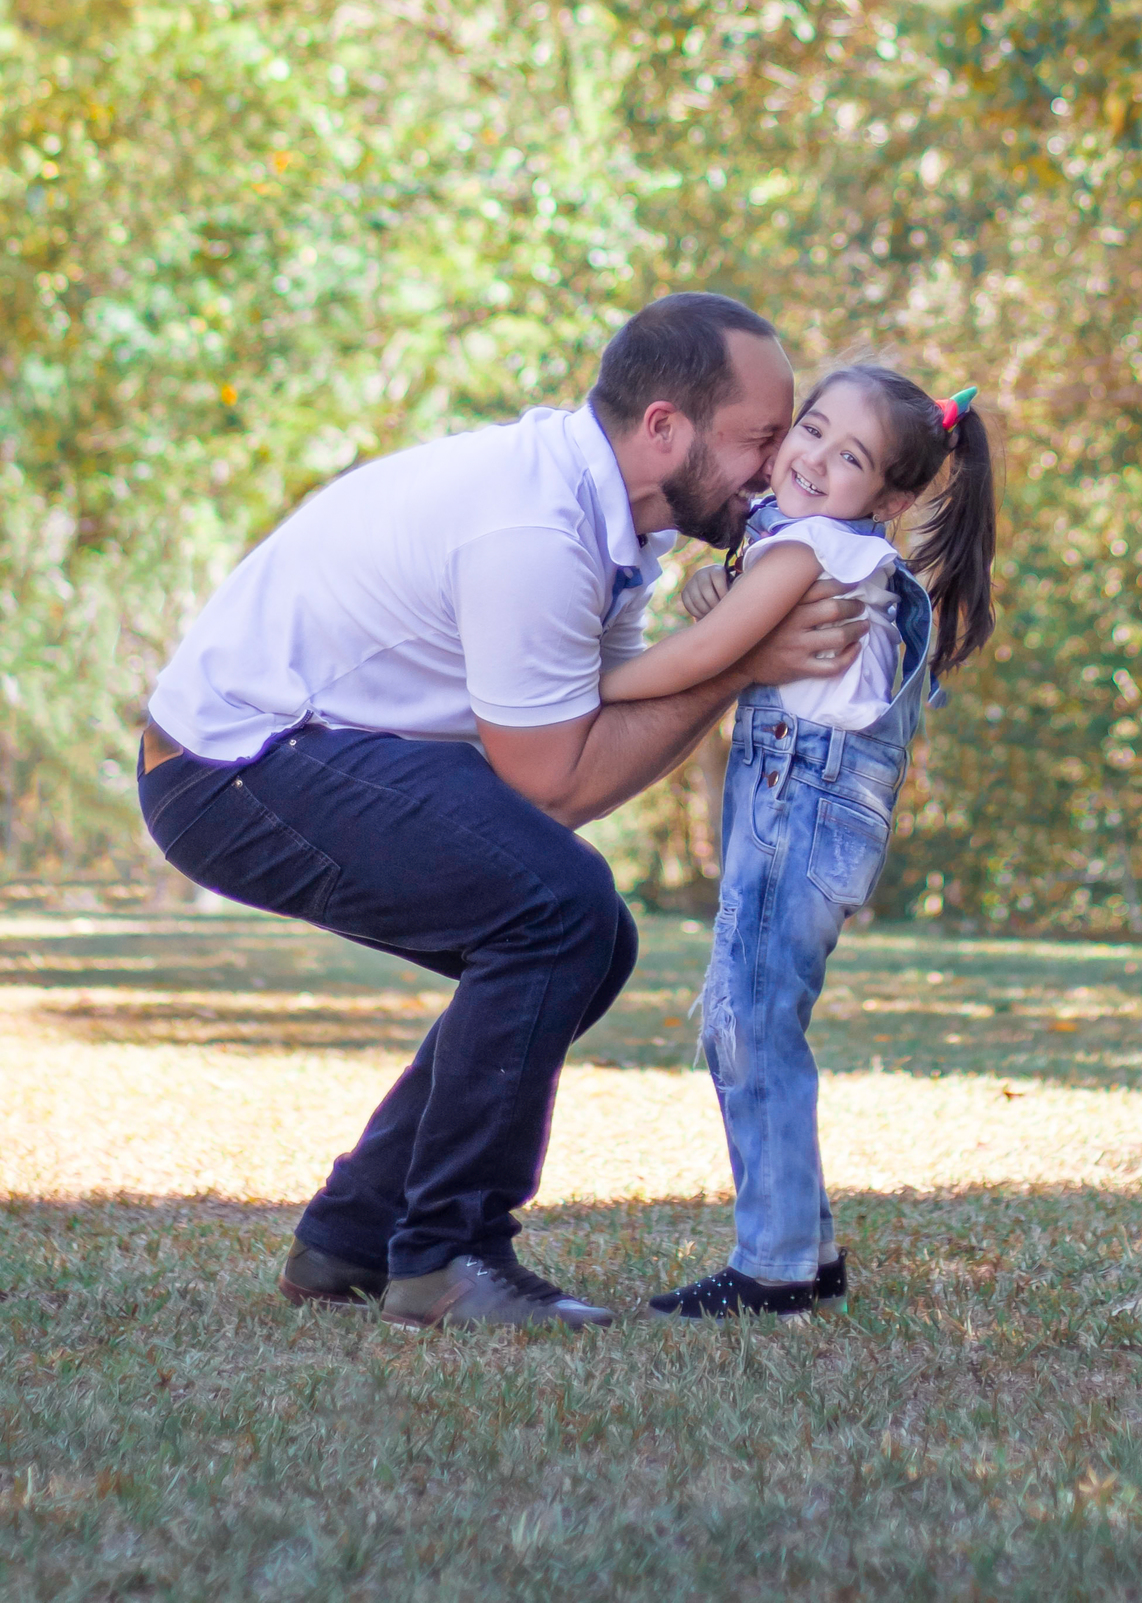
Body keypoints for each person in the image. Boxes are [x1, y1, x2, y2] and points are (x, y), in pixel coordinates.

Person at [137, 292, 872, 1332]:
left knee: (587, 933)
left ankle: (351, 1234)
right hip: (230, 761)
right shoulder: (536, 526)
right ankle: (444, 1258)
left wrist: (728, 659)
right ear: (664, 428)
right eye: (760, 439)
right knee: (558, 910)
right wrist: (745, 665)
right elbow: (555, 783)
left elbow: (599, 737)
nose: (775, 469)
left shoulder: (611, 527)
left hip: (294, 748)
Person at [599, 365, 996, 1320]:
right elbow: (732, 615)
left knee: (746, 1021)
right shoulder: (831, 547)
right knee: (762, 1011)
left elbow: (706, 657)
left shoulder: (805, 550)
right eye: (809, 431)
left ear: (892, 497)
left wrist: (594, 688)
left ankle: (773, 1267)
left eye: (848, 455)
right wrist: (712, 590)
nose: (812, 458)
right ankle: (805, 1249)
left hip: (797, 807)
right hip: (821, 812)